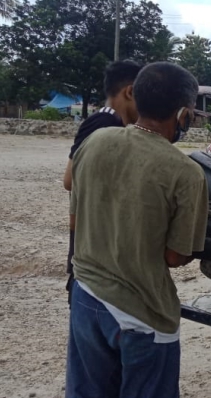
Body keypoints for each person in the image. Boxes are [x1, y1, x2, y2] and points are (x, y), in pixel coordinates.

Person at [57, 61, 209, 398]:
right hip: (142, 316)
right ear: (183, 114)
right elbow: (175, 257)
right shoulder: (185, 173)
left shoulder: (94, 142)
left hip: (86, 298)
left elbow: (78, 217)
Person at [62, 60, 143, 305]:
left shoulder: (115, 126)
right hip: (93, 257)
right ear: (129, 92)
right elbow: (70, 180)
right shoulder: (104, 123)